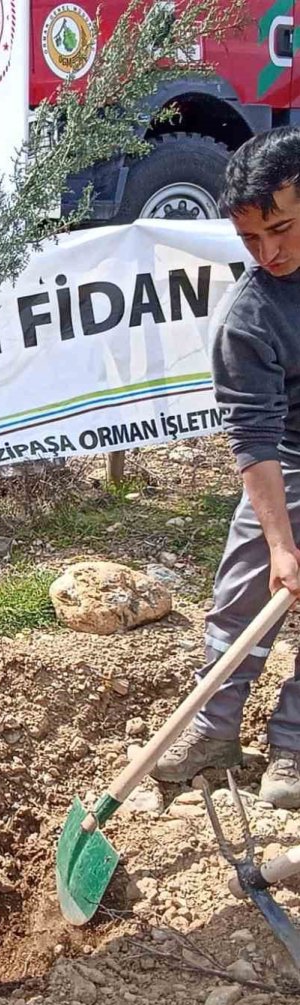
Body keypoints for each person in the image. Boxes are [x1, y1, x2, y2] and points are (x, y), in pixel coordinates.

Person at [152, 127, 300, 807]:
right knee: (248, 587)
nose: (268, 252)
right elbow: (257, 441)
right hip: (289, 453)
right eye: (250, 240)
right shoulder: (250, 318)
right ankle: (214, 728)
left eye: (282, 229)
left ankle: (295, 744)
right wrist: (279, 544)